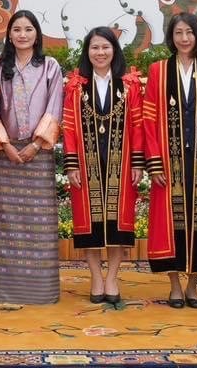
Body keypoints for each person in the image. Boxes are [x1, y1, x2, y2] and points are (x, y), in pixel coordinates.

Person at [144, 12, 197, 309]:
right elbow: (149, 117)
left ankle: (193, 285)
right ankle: (174, 286)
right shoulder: (158, 70)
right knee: (169, 224)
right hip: (169, 163)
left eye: (189, 33)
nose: (184, 38)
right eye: (179, 33)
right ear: (172, 37)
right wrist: (154, 160)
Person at [0, 10, 64, 304]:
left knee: (40, 222)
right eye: (17, 29)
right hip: (7, 154)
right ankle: (10, 290)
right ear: (9, 35)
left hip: (38, 152)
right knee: (10, 222)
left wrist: (36, 144)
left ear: (37, 34)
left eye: (28, 29)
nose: (22, 34)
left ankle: (41, 290)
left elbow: (55, 106)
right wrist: (5, 145)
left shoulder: (50, 67)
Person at [63, 27, 144, 305]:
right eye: (95, 48)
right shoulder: (76, 86)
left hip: (121, 165)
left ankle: (112, 278)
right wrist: (71, 163)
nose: (100, 53)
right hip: (86, 167)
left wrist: (137, 162)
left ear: (114, 50)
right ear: (87, 51)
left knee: (119, 223)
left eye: (105, 47)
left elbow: (137, 125)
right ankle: (96, 277)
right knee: (89, 225)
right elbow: (70, 127)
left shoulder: (129, 85)